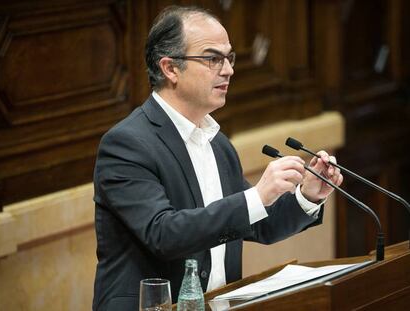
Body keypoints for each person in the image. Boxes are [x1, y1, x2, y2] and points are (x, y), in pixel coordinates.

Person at [92, 5, 343, 311]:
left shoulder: (218, 144)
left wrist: (307, 196)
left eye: (229, 58)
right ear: (170, 68)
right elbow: (163, 234)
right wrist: (258, 195)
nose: (228, 70)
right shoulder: (127, 144)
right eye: (213, 59)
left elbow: (257, 224)